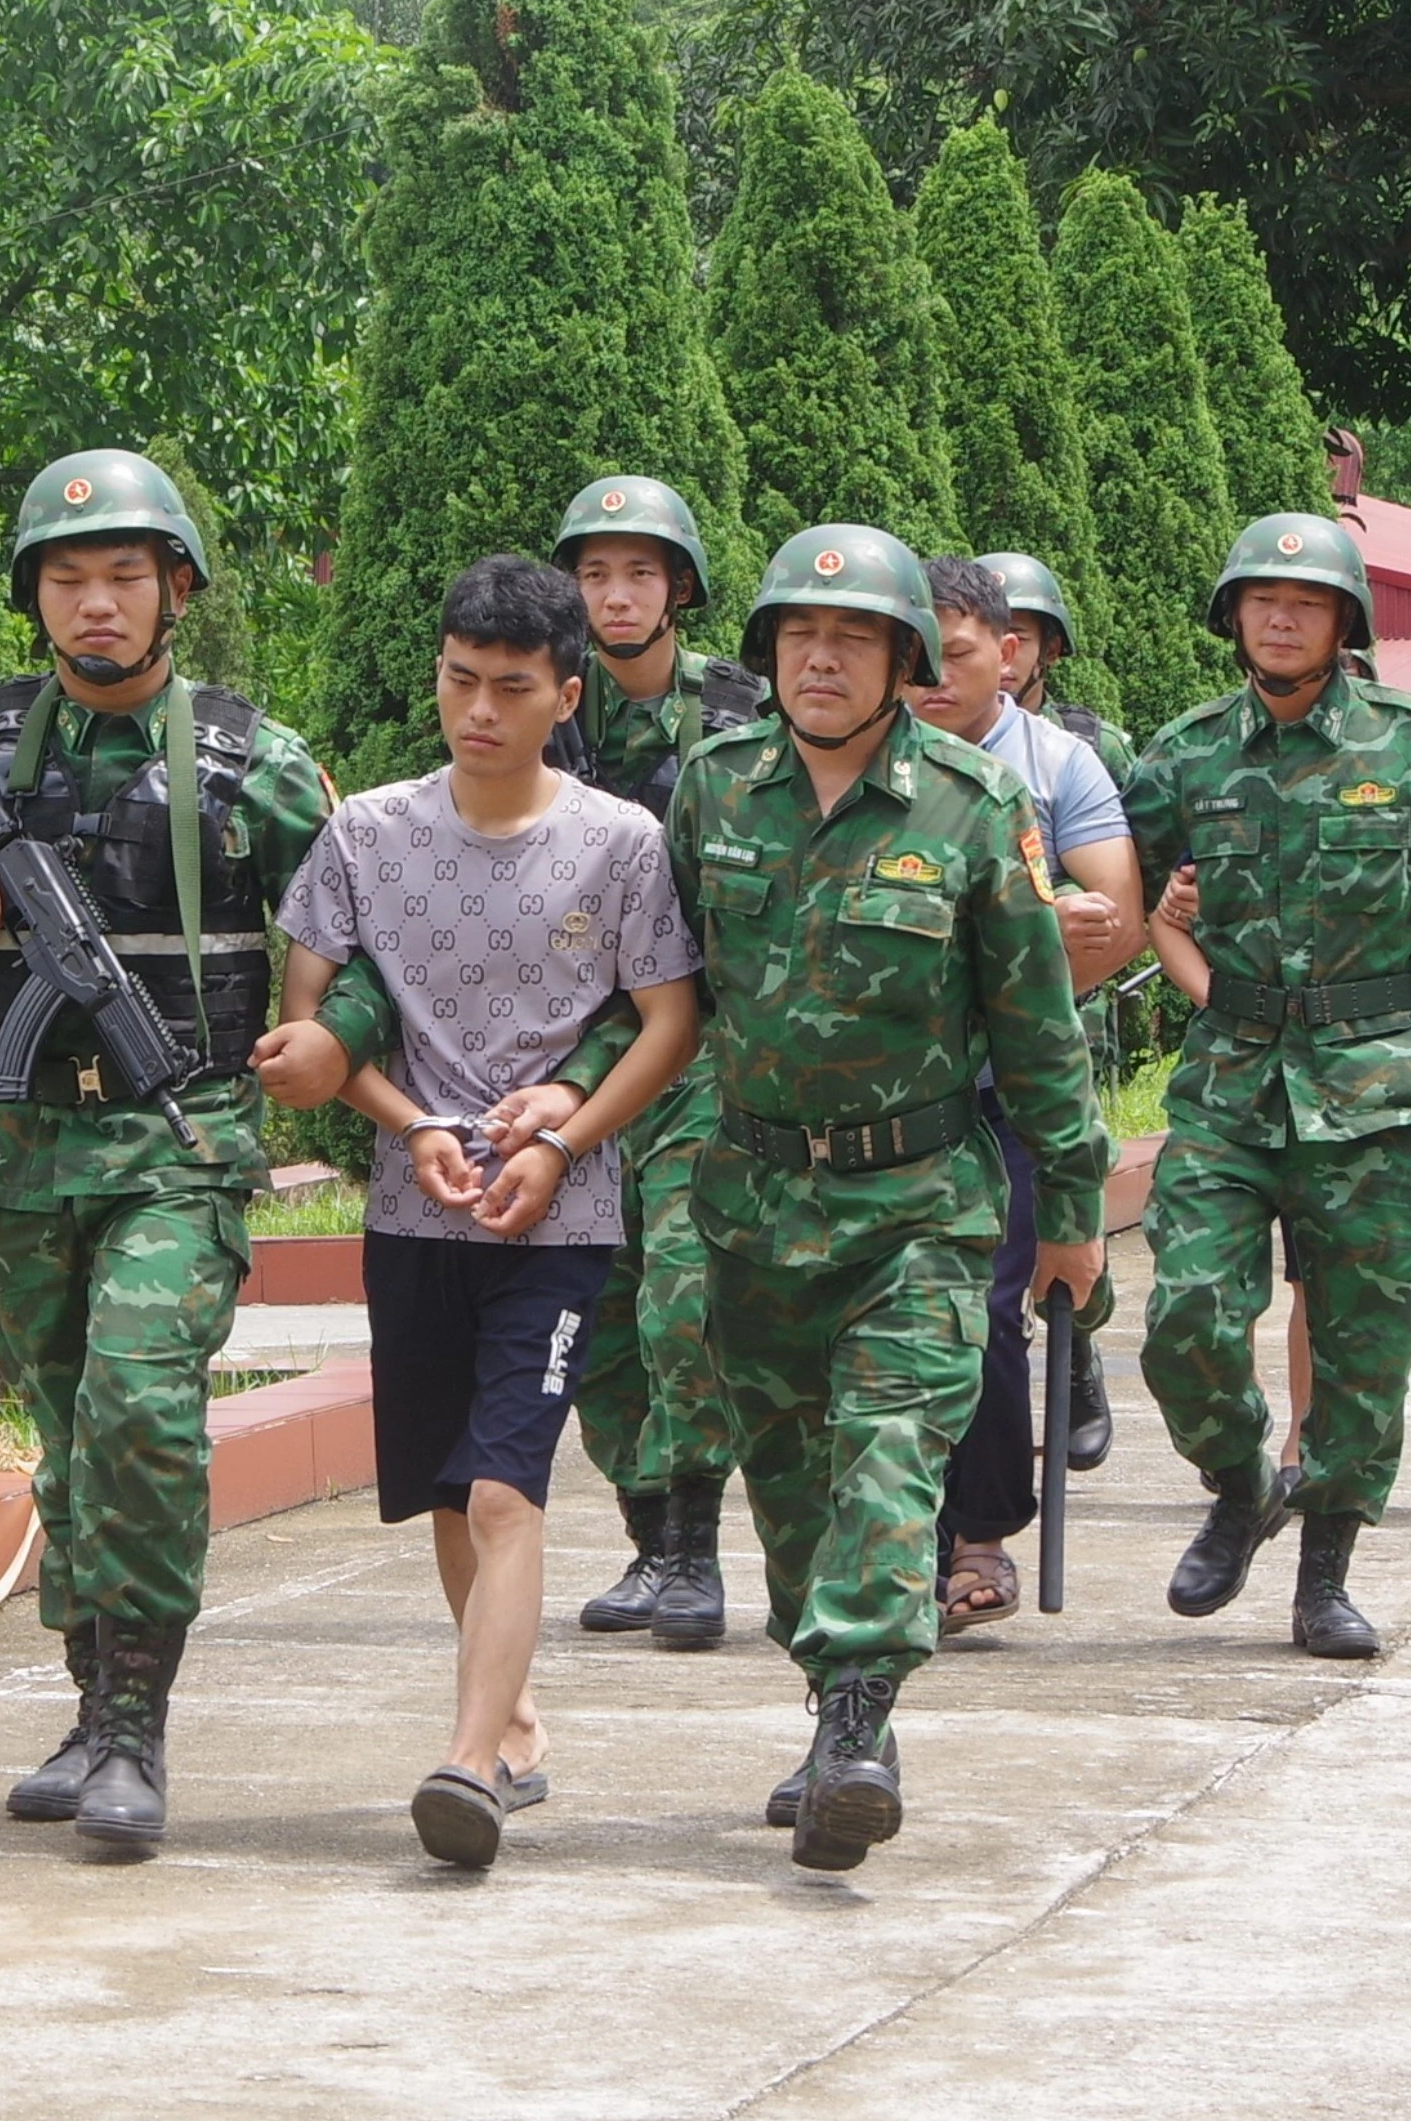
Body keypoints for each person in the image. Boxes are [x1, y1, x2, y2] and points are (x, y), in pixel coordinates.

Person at [0, 449, 334, 1856]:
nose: (97, 603)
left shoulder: (254, 759)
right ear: (35, 597)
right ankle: (87, 1701)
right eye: (67, 579)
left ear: (177, 589)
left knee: (138, 1407)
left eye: (125, 575)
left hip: (178, 1138)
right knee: (69, 1433)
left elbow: (356, 920)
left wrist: (330, 1035)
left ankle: (136, 1724)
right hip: (18, 1145)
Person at [655, 524, 1105, 1866]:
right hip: (753, 1201)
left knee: (891, 1449)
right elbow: (669, 995)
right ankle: (836, 1714)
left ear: (906, 660)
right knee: (793, 1486)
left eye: (853, 638)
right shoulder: (715, 788)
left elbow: (1038, 1029)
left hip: (919, 1205)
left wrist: (1072, 1210)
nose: (822, 658)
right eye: (800, 634)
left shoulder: (974, 805)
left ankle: (858, 1719)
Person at [270, 555, 705, 1869]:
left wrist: (565, 1138)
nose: (479, 710)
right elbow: (314, 1017)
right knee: (451, 1498)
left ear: (565, 695)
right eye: (461, 680)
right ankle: (510, 1720)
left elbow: (669, 1021)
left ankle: (467, 1760)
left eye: (512, 687)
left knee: (510, 1488)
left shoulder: (621, 843)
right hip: (413, 1215)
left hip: (556, 1223)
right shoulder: (366, 835)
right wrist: (408, 1125)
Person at [1120, 516, 1411, 1658]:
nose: (1281, 619)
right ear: (1233, 616)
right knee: (1185, 1315)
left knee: (1365, 1349)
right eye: (1263, 601)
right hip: (1230, 1082)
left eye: (1308, 603)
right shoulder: (1182, 753)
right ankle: (1242, 1482)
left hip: (1373, 1084)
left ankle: (1325, 1572)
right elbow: (1126, 899)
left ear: (1344, 623)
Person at [541, 475, 765, 1648]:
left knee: (685, 1302)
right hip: (569, 1057)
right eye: (595, 574)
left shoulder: (743, 716)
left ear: (680, 586)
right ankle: (646, 1537)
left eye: (639, 573)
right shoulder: (540, 710)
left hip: (701, 1055)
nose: (616, 595)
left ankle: (695, 1544)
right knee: (598, 1316)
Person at [908, 556, 1143, 1627]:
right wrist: (1029, 933)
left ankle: (980, 1531)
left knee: (986, 1312)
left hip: (1008, 1087)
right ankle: (889, 1530)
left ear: (1007, 653)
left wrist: (996, 975)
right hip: (876, 1090)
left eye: (953, 654)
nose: (930, 677)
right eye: (914, 655)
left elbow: (1111, 924)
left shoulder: (1058, 765)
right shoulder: (860, 758)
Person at [983, 547, 1125, 1473]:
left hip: (1060, 1027)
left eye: (1025, 633)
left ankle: (1077, 1354)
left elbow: (1126, 893)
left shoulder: (1085, 750)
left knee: (1061, 1218)